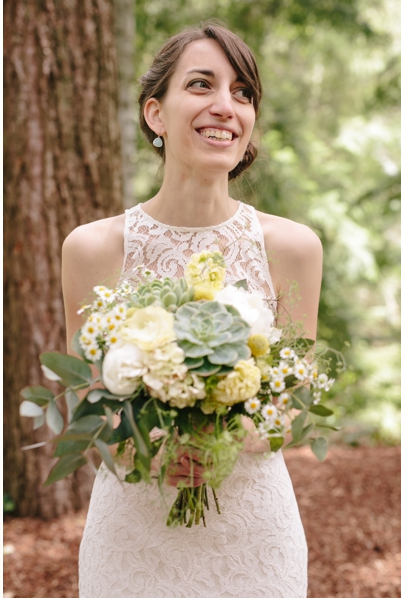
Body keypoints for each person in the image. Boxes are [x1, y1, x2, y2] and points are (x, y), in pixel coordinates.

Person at [62, 23, 322, 597]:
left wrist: (222, 436)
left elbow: (296, 402)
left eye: (242, 92)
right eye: (202, 85)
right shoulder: (93, 247)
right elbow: (87, 402)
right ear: (156, 114)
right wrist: (156, 447)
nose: (225, 106)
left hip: (254, 532)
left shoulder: (294, 247)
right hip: (133, 531)